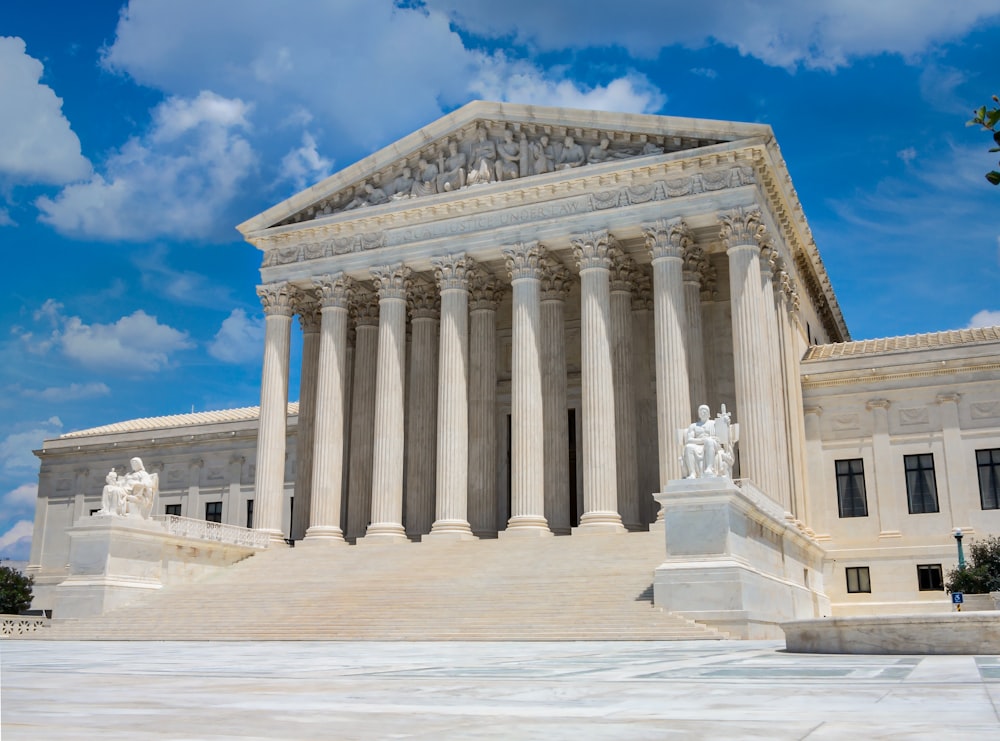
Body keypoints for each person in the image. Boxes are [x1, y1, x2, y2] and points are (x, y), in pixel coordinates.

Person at [683, 405, 721, 478]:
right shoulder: (693, 426)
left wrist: (726, 421)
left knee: (709, 441)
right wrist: (701, 440)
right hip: (698, 445)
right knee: (688, 447)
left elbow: (723, 429)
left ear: (709, 414)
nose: (703, 412)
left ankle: (709, 468)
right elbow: (689, 440)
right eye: (701, 411)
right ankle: (692, 473)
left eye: (705, 411)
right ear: (699, 414)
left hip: (711, 444)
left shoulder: (714, 423)